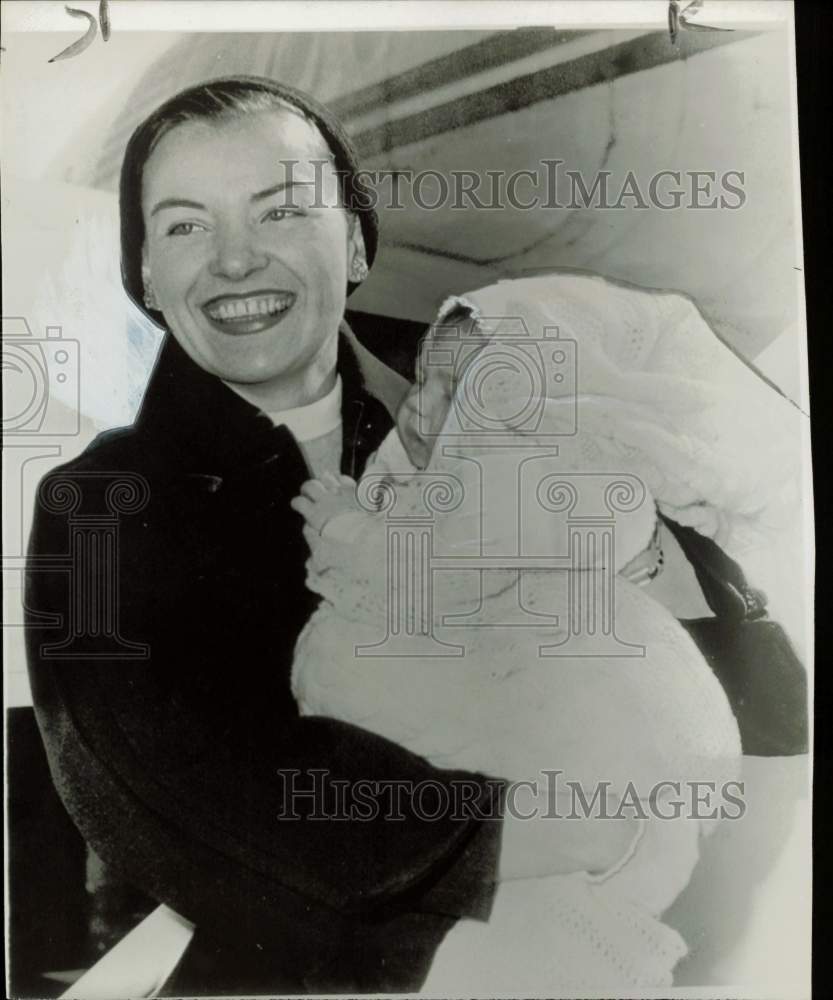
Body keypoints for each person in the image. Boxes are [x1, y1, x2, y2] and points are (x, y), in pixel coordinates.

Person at [23, 78, 636, 995]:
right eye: (186, 226)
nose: (233, 261)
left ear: (352, 238)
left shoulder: (509, 397)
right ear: (145, 271)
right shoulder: (102, 507)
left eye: (278, 213)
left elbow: (764, 687)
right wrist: (532, 824)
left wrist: (650, 561)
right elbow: (204, 800)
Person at [290, 278, 746, 991]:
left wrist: (350, 535)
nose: (421, 404)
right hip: (538, 816)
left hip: (604, 786)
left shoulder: (553, 487)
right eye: (423, 379)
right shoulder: (440, 480)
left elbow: (443, 574)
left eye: (464, 392)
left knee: (527, 929)